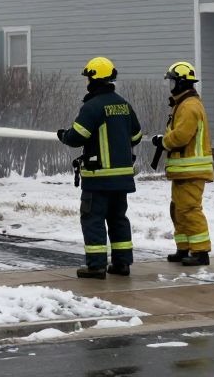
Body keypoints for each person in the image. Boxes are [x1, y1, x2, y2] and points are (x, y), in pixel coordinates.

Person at [57, 56, 143, 279]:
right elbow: (136, 136)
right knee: (118, 219)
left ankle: (96, 266)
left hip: (99, 177)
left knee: (93, 218)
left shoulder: (92, 106)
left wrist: (63, 136)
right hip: (122, 177)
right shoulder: (123, 105)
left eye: (87, 78)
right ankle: (122, 264)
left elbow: (77, 136)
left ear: (94, 79)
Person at [153, 61, 214, 267]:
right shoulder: (182, 103)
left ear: (181, 83)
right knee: (178, 209)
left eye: (172, 82)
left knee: (189, 210)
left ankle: (200, 251)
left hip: (192, 170)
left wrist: (162, 141)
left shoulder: (189, 106)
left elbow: (180, 136)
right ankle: (184, 248)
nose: (170, 86)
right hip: (183, 171)